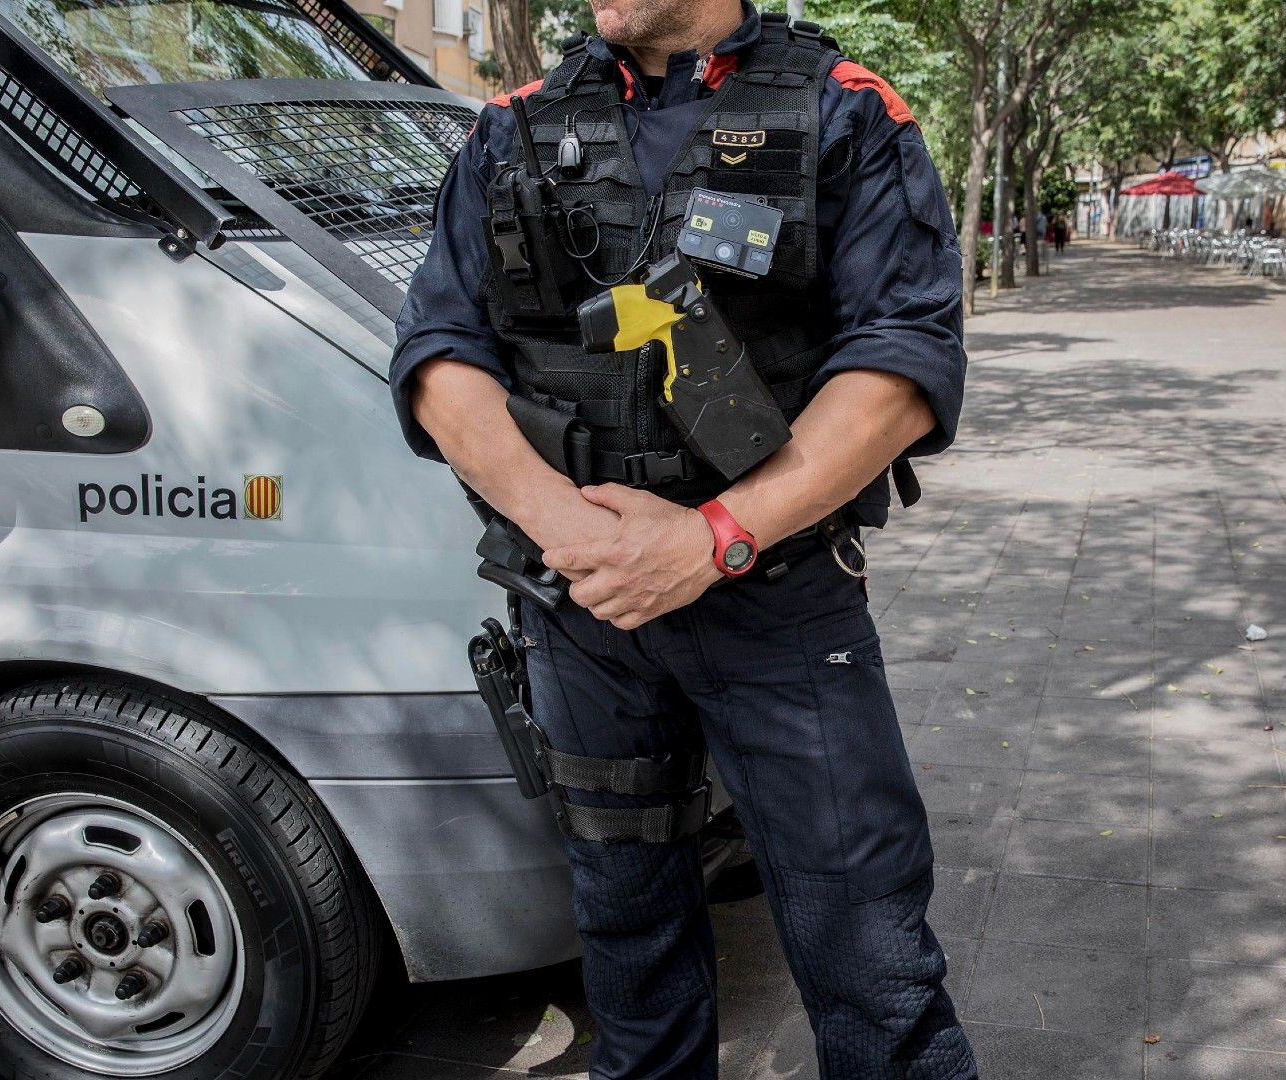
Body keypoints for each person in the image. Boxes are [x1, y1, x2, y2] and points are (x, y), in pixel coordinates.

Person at [388, 2, 978, 1078]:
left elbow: (900, 364)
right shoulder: (511, 125)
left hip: (778, 602)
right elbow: (438, 352)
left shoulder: (844, 110)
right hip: (585, 614)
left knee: (871, 957)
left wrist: (711, 540)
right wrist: (566, 528)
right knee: (628, 951)